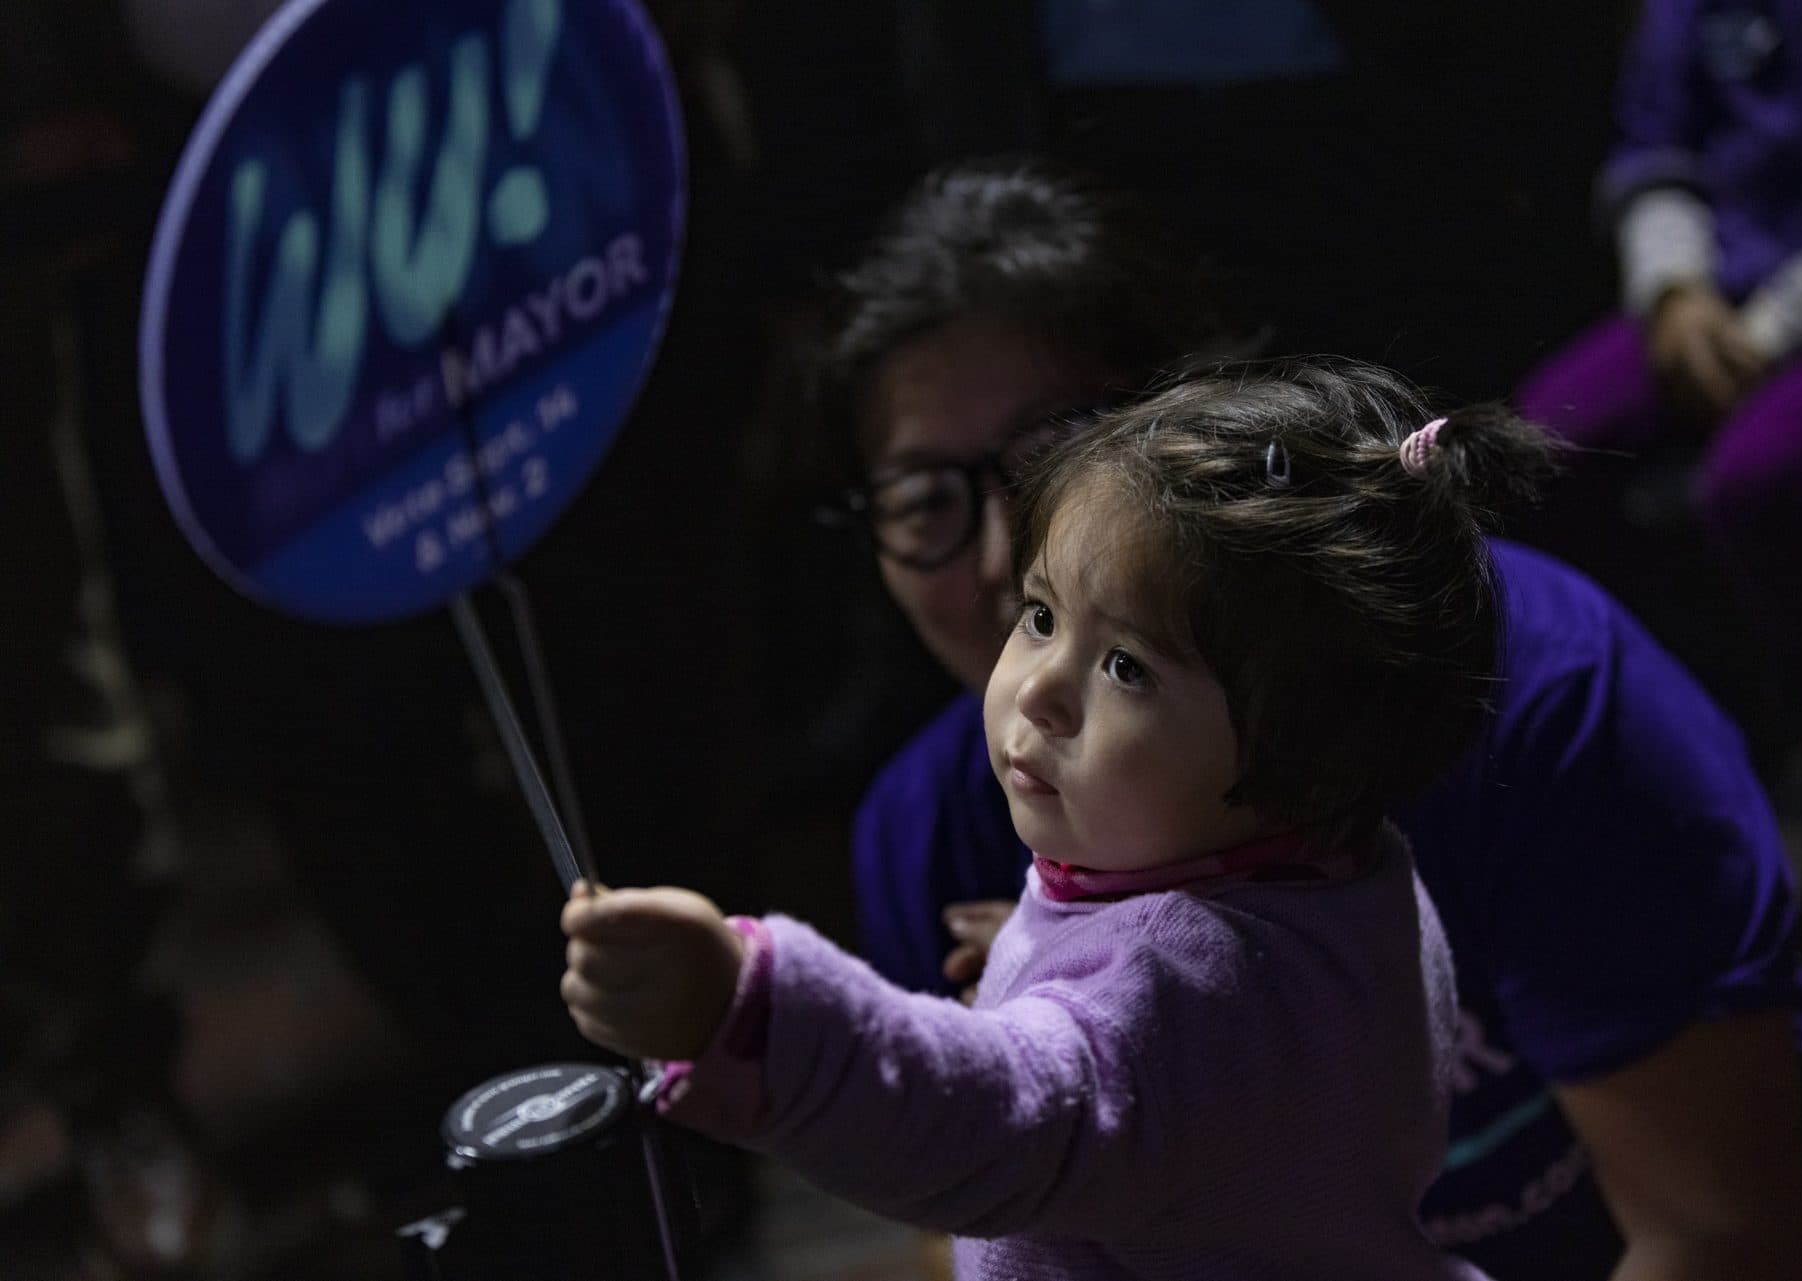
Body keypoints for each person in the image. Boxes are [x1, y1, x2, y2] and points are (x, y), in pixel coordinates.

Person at [826, 160, 1802, 1281]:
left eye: (1054, 460)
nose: (1007, 559)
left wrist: (751, 1015)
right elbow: (973, 1227)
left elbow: (1720, 1237)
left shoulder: (1539, 700)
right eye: (923, 500)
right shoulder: (938, 828)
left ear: (1209, 426)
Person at [560, 365, 1554, 1279]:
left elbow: (1001, 1122)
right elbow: (1231, 1053)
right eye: (1040, 615)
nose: (1038, 691)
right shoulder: (1352, 861)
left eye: (1127, 667)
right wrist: (1055, 959)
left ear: (1308, 760)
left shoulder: (1175, 989)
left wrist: (748, 1010)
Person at [1513, 0, 1802, 979]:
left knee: (1761, 483)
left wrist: (1777, 328)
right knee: (1540, 451)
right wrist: (1674, 294)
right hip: (1711, 298)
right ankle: (1656, 746)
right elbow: (1656, 152)